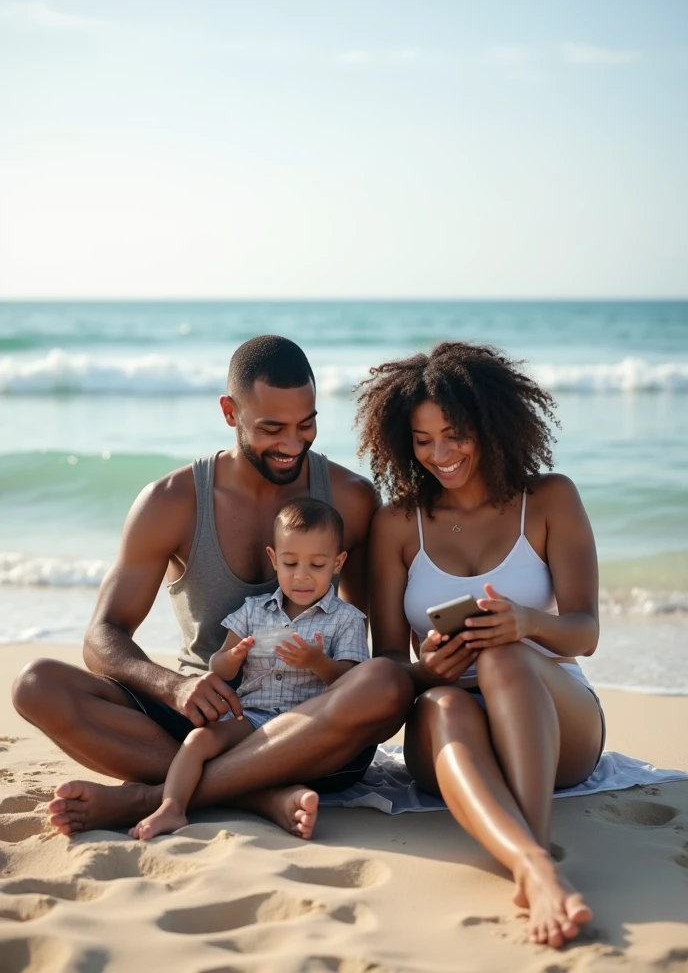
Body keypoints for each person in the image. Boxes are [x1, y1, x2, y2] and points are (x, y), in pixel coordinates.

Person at [12, 335, 413, 839]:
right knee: (38, 685)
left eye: (305, 425)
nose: (293, 444)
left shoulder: (351, 499)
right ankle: (258, 793)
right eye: (272, 428)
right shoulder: (171, 501)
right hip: (204, 720)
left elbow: (364, 644)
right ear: (230, 411)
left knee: (388, 684)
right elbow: (103, 635)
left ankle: (154, 798)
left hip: (312, 732)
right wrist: (174, 687)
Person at [357, 341, 604, 950]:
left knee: (504, 654)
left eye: (455, 434)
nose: (440, 454)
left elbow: (585, 631)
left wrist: (525, 622)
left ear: (490, 424)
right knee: (441, 703)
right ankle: (535, 869)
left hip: (556, 721)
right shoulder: (396, 524)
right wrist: (427, 671)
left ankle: (535, 853)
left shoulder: (549, 499)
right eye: (422, 440)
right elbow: (389, 660)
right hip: (451, 729)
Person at [130, 499, 369, 840]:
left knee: (280, 759)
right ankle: (172, 807)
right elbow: (219, 666)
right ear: (274, 559)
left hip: (307, 724)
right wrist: (234, 656)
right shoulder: (253, 611)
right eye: (290, 563)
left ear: (337, 563)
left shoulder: (346, 619)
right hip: (252, 716)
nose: (302, 575)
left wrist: (317, 662)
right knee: (199, 739)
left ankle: (276, 798)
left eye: (317, 564)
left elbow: (354, 684)